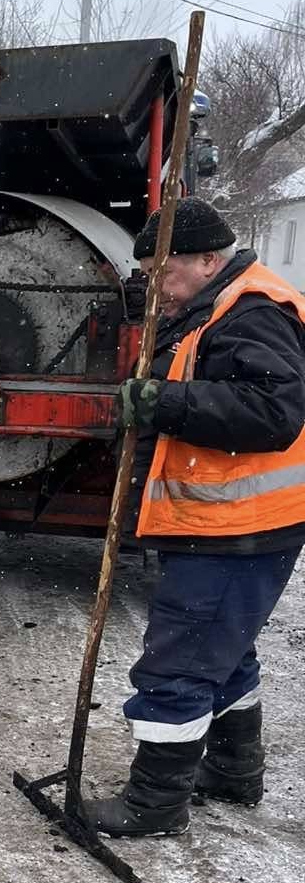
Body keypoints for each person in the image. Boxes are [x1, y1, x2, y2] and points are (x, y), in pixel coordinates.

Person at [86, 197, 305, 837]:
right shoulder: (212, 305)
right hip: (229, 523)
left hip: (239, 526)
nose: (159, 286)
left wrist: (165, 401)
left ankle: (154, 806)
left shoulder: (255, 312)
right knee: (223, 653)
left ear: (209, 260)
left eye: (165, 271)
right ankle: (234, 772)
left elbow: (273, 411)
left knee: (178, 663)